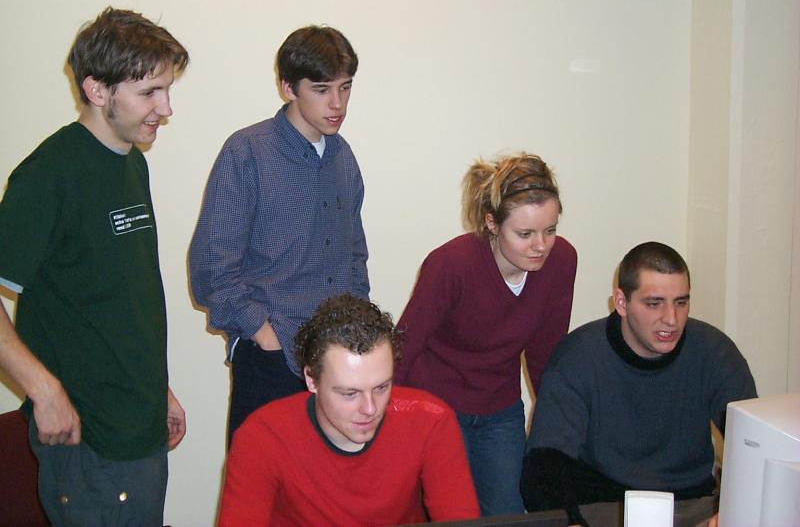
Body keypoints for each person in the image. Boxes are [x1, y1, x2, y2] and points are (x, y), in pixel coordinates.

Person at [0, 7, 189, 526]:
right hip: (85, 434)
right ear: (98, 90)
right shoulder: (48, 175)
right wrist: (44, 390)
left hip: (138, 422)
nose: (165, 108)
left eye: (167, 90)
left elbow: (120, 294)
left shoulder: (132, 161)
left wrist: (157, 389)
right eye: (149, 92)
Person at [189, 25, 369, 443]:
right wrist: (263, 334)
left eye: (345, 88)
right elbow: (213, 266)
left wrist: (356, 333)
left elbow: (354, 255)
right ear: (288, 87)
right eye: (322, 89)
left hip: (337, 359)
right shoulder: (247, 152)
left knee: (329, 495)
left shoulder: (344, 158)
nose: (337, 104)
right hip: (271, 358)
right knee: (260, 494)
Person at [521, 242, 757, 526]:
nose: (671, 319)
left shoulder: (715, 353)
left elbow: (753, 449)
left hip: (691, 506)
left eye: (681, 302)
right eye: (654, 303)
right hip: (605, 507)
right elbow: (545, 465)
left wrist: (734, 508)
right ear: (621, 302)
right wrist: (570, 521)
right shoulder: (577, 358)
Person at [394, 153, 578, 516]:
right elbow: (404, 347)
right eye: (524, 234)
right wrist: (388, 423)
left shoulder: (561, 262)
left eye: (550, 230)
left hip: (500, 408)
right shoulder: (450, 265)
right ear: (492, 223)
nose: (540, 245)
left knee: (509, 513)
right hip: (437, 406)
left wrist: (560, 429)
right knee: (452, 515)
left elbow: (546, 354)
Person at [218, 294, 479, 525]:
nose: (370, 409)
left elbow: (459, 518)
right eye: (349, 393)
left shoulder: (430, 421)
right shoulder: (262, 437)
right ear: (311, 379)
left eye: (381, 388)